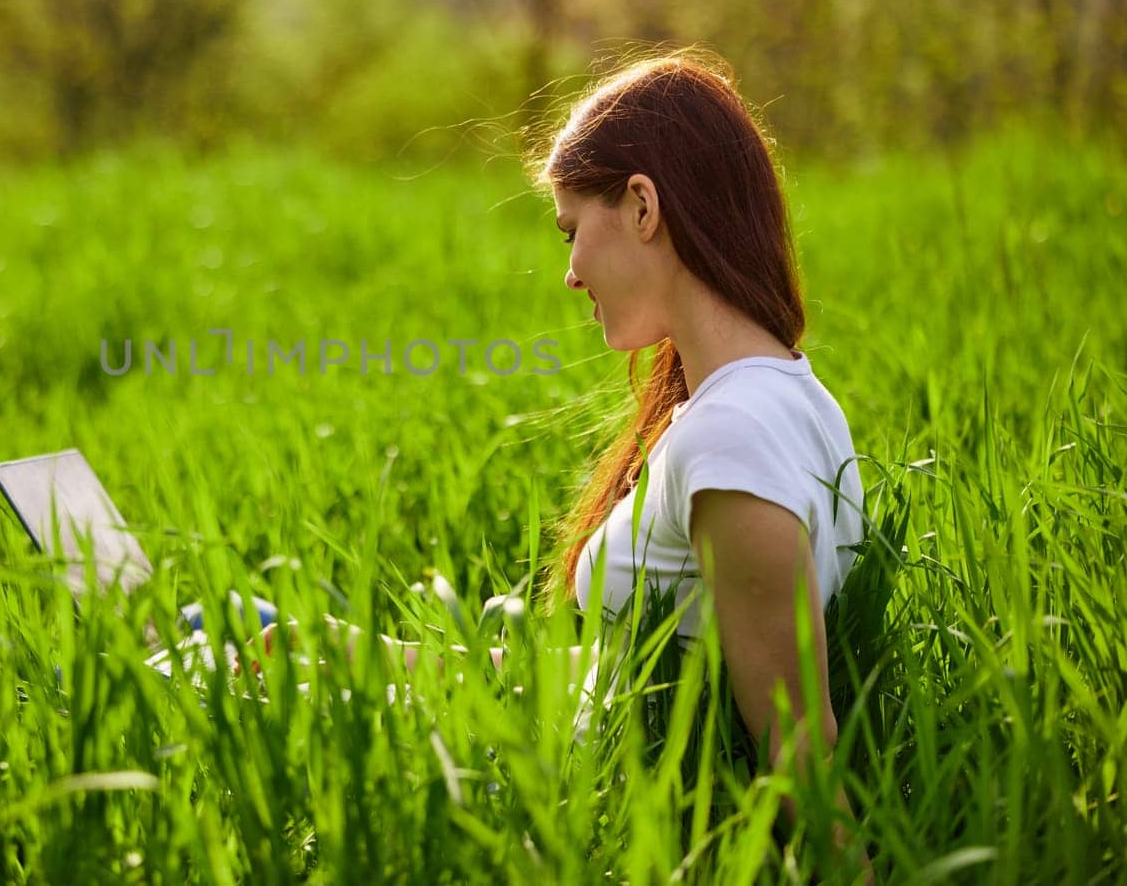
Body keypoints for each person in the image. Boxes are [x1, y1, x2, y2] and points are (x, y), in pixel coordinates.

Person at [252, 51, 873, 875]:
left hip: (538, 804)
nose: (571, 271)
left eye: (574, 230)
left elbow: (800, 751)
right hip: (522, 741)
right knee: (236, 633)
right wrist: (375, 656)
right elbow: (628, 679)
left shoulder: (734, 439)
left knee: (171, 670)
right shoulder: (784, 398)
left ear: (644, 205)